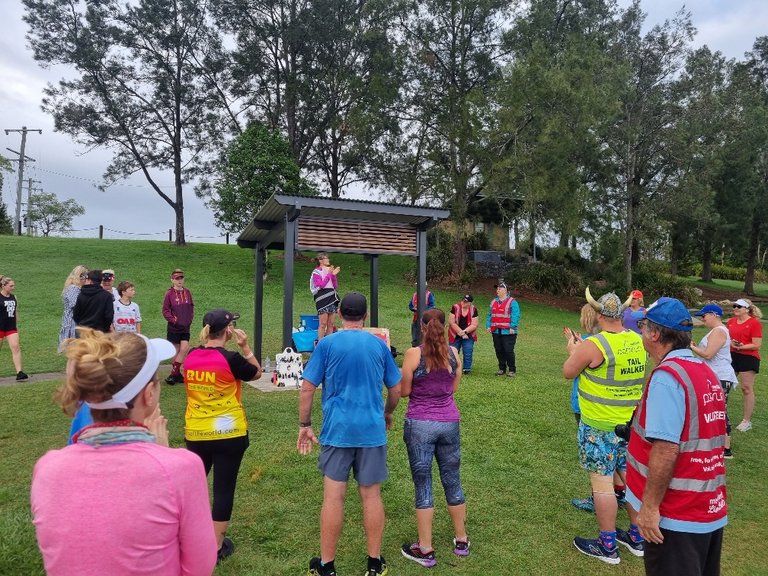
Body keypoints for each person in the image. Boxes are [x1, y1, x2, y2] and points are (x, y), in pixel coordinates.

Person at [31, 329, 217, 576]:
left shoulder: (47, 469)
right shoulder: (182, 468)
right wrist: (162, 456)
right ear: (149, 395)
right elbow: (199, 568)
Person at [298, 292, 402, 576]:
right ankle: (374, 563)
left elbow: (307, 387)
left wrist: (304, 425)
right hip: (371, 430)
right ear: (366, 317)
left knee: (334, 497)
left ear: (340, 314)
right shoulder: (379, 345)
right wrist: (387, 412)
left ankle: (327, 566)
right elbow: (396, 389)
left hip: (337, 430)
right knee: (371, 497)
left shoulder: (327, 344)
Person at [626, 297, 727, 576]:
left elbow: (666, 448)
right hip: (707, 507)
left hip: (676, 515)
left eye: (644, 327)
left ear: (655, 334)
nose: (642, 332)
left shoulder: (668, 376)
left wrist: (649, 509)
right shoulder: (705, 372)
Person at [563, 287, 645, 565]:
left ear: (598, 314)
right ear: (621, 313)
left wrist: (573, 349)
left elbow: (568, 371)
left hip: (599, 426)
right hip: (629, 425)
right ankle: (636, 536)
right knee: (632, 481)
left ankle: (607, 545)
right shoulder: (638, 340)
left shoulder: (594, 344)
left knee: (602, 485)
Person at [183, 308, 261, 563]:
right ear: (228, 330)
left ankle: (186, 536)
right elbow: (257, 372)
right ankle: (216, 546)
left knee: (193, 485)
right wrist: (246, 347)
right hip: (229, 432)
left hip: (196, 432)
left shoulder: (191, 356)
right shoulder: (231, 358)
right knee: (223, 489)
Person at [399, 308, 469, 568]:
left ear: (422, 326)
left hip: (420, 424)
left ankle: (425, 548)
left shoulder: (413, 354)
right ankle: (461, 540)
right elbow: (452, 388)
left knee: (423, 483)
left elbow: (405, 391)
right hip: (449, 422)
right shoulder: (454, 354)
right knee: (452, 479)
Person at [691, 304, 738, 458]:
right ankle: (716, 443)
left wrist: (692, 347)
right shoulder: (717, 331)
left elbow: (709, 354)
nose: (702, 319)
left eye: (704, 316)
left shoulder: (719, 331)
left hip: (720, 376)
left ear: (713, 314)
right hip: (715, 375)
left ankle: (726, 449)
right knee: (714, 409)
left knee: (720, 409)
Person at [727, 298, 762, 432]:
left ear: (746, 309)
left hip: (748, 357)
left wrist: (742, 347)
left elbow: (757, 344)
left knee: (746, 388)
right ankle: (719, 414)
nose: (735, 308)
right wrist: (732, 343)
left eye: (739, 306)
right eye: (734, 305)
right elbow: (727, 339)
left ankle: (746, 421)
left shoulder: (754, 323)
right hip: (732, 355)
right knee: (725, 385)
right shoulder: (731, 322)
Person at [162, 268, 194, 384]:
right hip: (174, 327)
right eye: (177, 279)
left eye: (181, 278)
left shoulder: (187, 292)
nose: (179, 280)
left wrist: (189, 319)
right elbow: (165, 310)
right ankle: (177, 374)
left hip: (186, 327)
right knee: (176, 351)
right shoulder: (169, 294)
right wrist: (174, 320)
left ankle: (173, 374)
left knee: (184, 348)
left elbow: (191, 307)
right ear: (172, 280)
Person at [486, 281, 520, 376]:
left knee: (508, 350)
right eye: (497, 288)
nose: (497, 290)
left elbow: (515, 315)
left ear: (505, 290)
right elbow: (490, 315)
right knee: (499, 350)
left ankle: (512, 370)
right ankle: (502, 368)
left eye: (500, 288)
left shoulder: (512, 302)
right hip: (496, 330)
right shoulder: (493, 301)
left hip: (508, 331)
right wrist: (488, 325)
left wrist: (512, 327)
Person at [0, 275, 28, 380]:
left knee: (16, 347)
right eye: (11, 286)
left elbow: (15, 312)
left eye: (13, 285)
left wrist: (15, 326)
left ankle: (19, 373)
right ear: (4, 286)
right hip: (0, 327)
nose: (13, 287)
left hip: (11, 328)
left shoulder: (14, 297)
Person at [310, 252, 340, 341]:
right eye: (326, 258)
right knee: (323, 323)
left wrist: (333, 276)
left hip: (332, 297)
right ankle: (320, 343)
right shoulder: (316, 272)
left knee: (331, 324)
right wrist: (330, 274)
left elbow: (335, 286)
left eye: (328, 258)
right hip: (322, 298)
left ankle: (327, 343)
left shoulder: (330, 270)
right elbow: (321, 285)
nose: (328, 260)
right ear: (320, 260)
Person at [58, 265, 88, 351]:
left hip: (74, 321)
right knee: (74, 351)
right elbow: (75, 304)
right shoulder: (73, 288)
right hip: (72, 322)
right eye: (85, 276)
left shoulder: (76, 288)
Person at [448, 293, 478, 375]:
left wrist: (465, 332)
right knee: (453, 351)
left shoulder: (473, 309)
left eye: (466, 302)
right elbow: (451, 322)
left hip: (468, 334)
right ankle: (452, 368)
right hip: (455, 333)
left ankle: (466, 369)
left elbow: (474, 324)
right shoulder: (455, 307)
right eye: (463, 301)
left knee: (468, 350)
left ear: (470, 303)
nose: (463, 303)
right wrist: (461, 333)